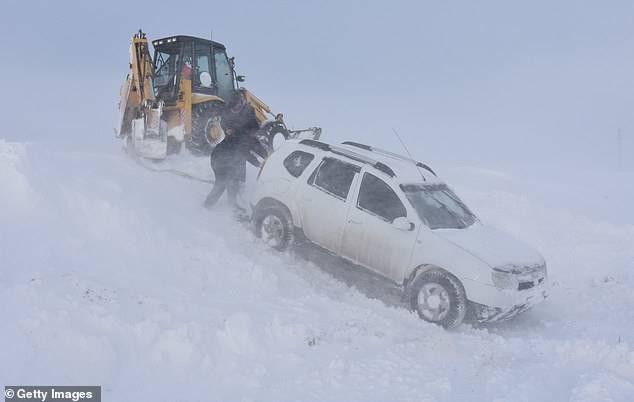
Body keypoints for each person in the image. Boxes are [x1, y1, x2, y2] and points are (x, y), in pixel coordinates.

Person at [203, 90, 263, 209]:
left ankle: (232, 204)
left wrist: (266, 156)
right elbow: (245, 151)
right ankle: (207, 206)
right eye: (233, 108)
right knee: (222, 183)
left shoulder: (248, 121)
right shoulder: (239, 135)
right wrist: (258, 163)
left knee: (235, 179)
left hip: (231, 156)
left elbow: (255, 145)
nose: (234, 110)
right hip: (219, 158)